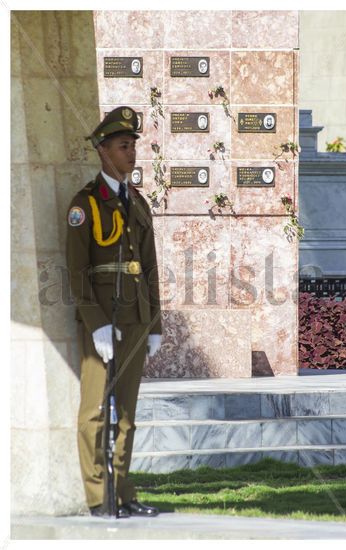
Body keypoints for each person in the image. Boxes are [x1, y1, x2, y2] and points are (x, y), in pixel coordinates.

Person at [66, 106, 162, 518]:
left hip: (136, 318)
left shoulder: (137, 202)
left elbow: (151, 266)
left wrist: (155, 322)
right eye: (124, 146)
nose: (132, 153)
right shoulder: (85, 203)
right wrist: (97, 323)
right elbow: (75, 270)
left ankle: (123, 492)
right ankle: (97, 497)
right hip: (102, 321)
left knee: (126, 414)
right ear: (104, 151)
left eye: (133, 146)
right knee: (93, 413)